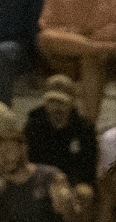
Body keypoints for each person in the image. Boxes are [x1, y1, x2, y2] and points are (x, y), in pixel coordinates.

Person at [23, 74, 98, 212]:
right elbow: (29, 160)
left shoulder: (84, 128)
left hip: (74, 181)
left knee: (84, 193)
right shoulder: (34, 125)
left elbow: (88, 167)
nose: (56, 107)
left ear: (72, 102)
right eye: (52, 101)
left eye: (62, 102)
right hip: (40, 179)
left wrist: (68, 184)